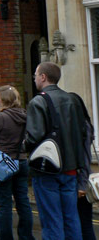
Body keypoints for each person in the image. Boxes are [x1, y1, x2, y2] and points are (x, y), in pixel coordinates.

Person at [24, 62, 87, 240]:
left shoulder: (38, 101)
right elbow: (83, 133)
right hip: (71, 168)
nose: (34, 78)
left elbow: (33, 137)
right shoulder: (73, 99)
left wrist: (20, 146)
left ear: (43, 77)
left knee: (52, 221)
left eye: (36, 75)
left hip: (47, 170)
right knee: (71, 219)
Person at [0, 86, 35, 240]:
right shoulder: (24, 115)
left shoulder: (1, 117)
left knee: (5, 205)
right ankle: (26, 236)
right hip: (21, 161)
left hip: (4, 164)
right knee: (23, 202)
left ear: (5, 100)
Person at [70, 92, 96, 240]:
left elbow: (84, 158)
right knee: (84, 223)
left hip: (80, 179)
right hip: (82, 178)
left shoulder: (80, 127)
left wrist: (81, 184)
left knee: (83, 224)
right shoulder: (86, 125)